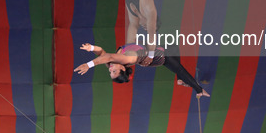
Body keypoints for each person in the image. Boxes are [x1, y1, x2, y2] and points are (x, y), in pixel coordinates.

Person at [74, 42, 210, 97]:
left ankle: (180, 80)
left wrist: (91, 48)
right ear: (122, 68)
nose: (110, 69)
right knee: (180, 70)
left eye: (110, 72)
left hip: (156, 51)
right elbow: (107, 56)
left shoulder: (112, 62)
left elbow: (102, 53)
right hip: (160, 57)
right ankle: (199, 90)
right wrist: (89, 65)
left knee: (174, 46)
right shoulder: (126, 59)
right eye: (113, 72)